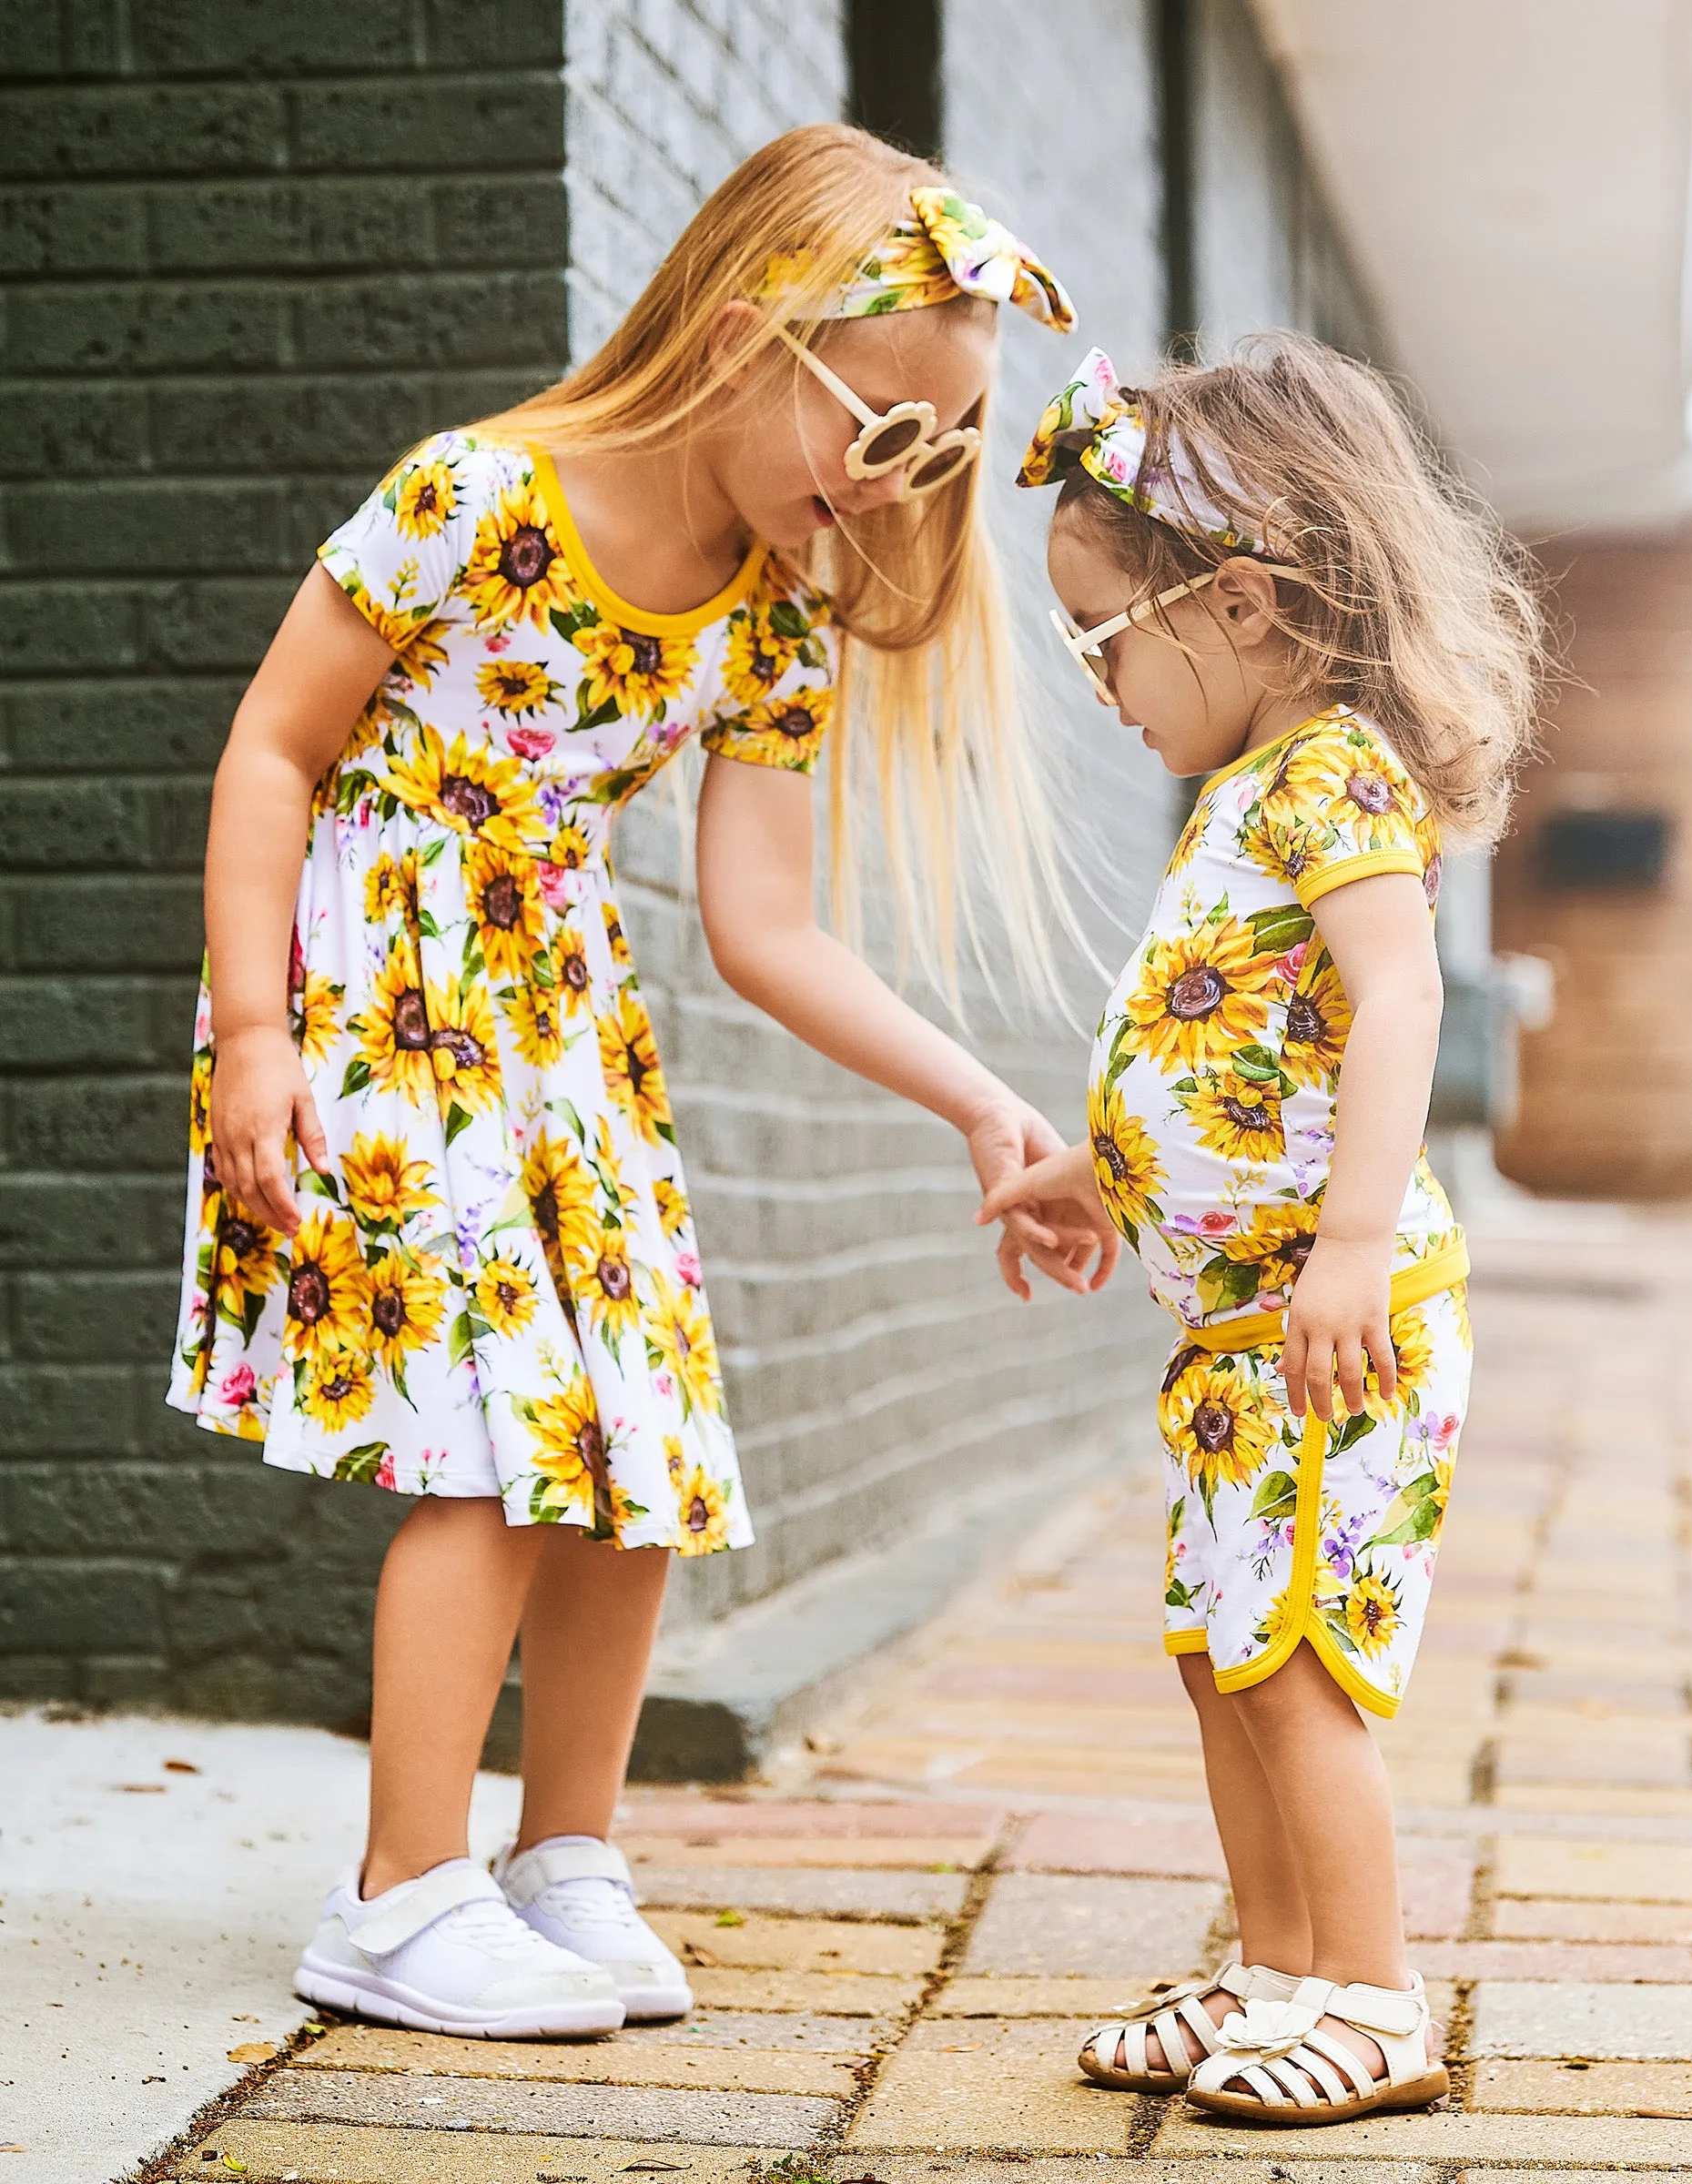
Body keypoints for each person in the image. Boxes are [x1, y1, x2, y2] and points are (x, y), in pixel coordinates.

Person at [168, 122, 1105, 2041]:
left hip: (562, 1028)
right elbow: (272, 748)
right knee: (495, 1446)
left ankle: (560, 1856)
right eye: (890, 435)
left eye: (946, 453)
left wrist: (979, 1104)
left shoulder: (772, 616)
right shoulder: (475, 496)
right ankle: (397, 1892)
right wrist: (251, 1030)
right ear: (761, 336)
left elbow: (769, 924)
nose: (901, 490)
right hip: (378, 1001)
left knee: (638, 1442)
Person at [978, 338, 1544, 2122]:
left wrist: (1355, 1243)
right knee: (1228, 1661)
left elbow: (1394, 1002)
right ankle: (1277, 1972)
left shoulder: (1328, 779)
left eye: (1104, 642)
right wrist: (1104, 1172)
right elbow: (1229, 1041)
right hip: (1233, 1338)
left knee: (1298, 1664)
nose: (1096, 686)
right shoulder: (1239, 795)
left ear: (1238, 603)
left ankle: (1372, 1999)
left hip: (1337, 1322)